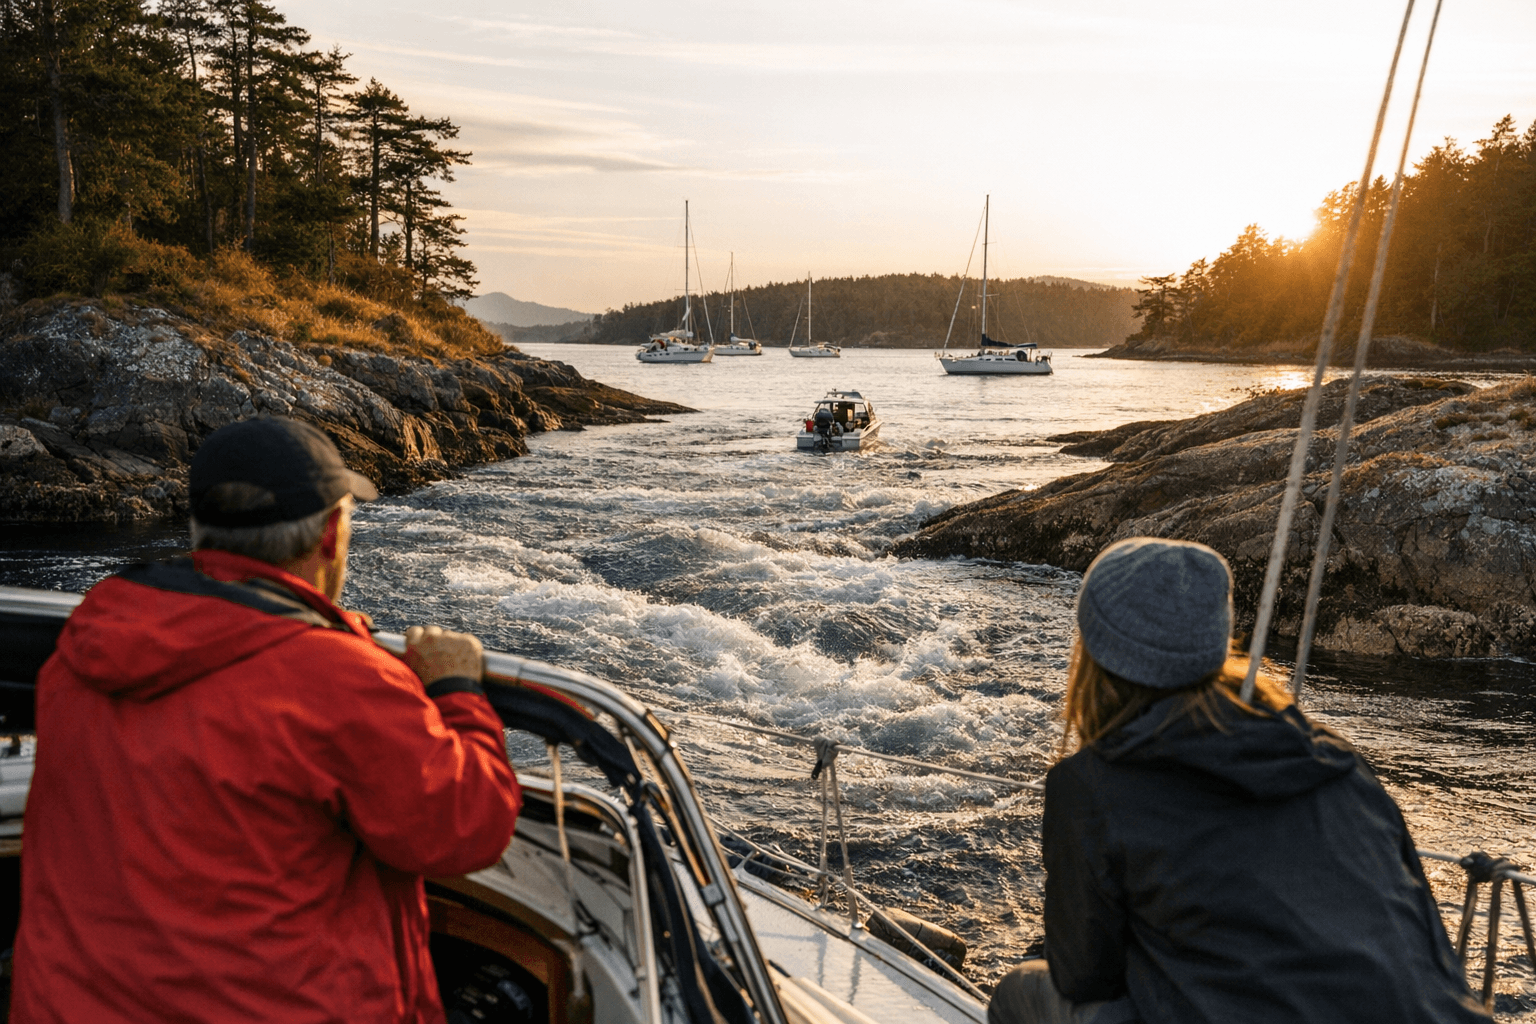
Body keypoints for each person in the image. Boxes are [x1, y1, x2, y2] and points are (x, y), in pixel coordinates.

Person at [13, 416, 524, 1023]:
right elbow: (469, 826)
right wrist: (458, 688)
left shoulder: (83, 648)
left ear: (202, 530)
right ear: (332, 536)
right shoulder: (338, 679)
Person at [988, 537, 1490, 1024]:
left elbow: (1083, 978)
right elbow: (1425, 937)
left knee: (1021, 991)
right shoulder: (1332, 758)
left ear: (1094, 651)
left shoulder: (1092, 785)